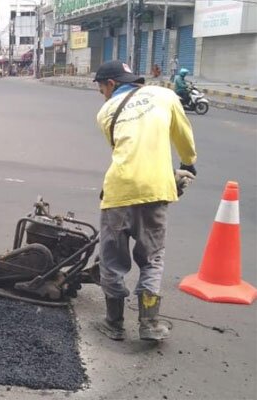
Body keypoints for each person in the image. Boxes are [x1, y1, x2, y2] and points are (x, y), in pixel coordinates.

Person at [92, 60, 197, 342]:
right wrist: (188, 163)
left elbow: (123, 151)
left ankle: (113, 324)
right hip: (156, 190)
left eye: (101, 88)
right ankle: (149, 324)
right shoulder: (165, 96)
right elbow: (184, 137)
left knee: (112, 260)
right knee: (152, 259)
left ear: (111, 85)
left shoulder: (106, 112)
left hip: (118, 192)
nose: (102, 94)